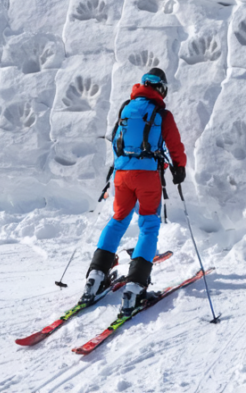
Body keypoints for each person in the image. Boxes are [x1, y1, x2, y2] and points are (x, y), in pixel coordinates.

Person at [82, 67, 187, 315]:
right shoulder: (162, 113)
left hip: (121, 174)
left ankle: (95, 277)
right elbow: (174, 145)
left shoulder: (126, 108)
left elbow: (117, 139)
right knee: (148, 226)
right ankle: (135, 288)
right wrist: (179, 168)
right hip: (147, 176)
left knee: (118, 220)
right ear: (161, 88)